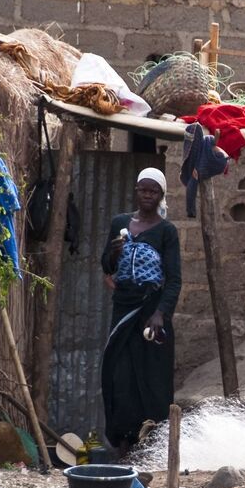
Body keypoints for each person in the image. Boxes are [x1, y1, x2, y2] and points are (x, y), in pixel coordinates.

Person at [99, 168, 182, 452]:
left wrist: (161, 313)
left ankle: (152, 445)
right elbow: (107, 267)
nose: (147, 195)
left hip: (151, 312)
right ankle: (123, 442)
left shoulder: (166, 231)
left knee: (152, 377)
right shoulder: (119, 224)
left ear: (160, 195)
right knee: (119, 375)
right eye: (143, 190)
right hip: (123, 309)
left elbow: (174, 279)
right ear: (136, 191)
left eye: (153, 191)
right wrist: (113, 254)